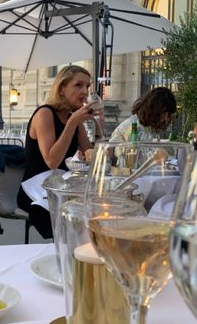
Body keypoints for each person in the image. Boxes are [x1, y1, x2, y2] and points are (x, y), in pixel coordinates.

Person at [17, 65, 99, 238]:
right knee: (73, 216)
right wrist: (72, 124)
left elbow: (94, 159)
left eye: (87, 86)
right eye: (78, 85)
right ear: (62, 89)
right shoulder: (45, 113)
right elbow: (51, 161)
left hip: (60, 186)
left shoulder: (73, 119)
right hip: (34, 189)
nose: (85, 91)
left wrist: (99, 123)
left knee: (95, 208)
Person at [109, 87, 176, 142]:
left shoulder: (145, 127)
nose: (165, 118)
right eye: (165, 113)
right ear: (155, 110)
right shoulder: (132, 127)